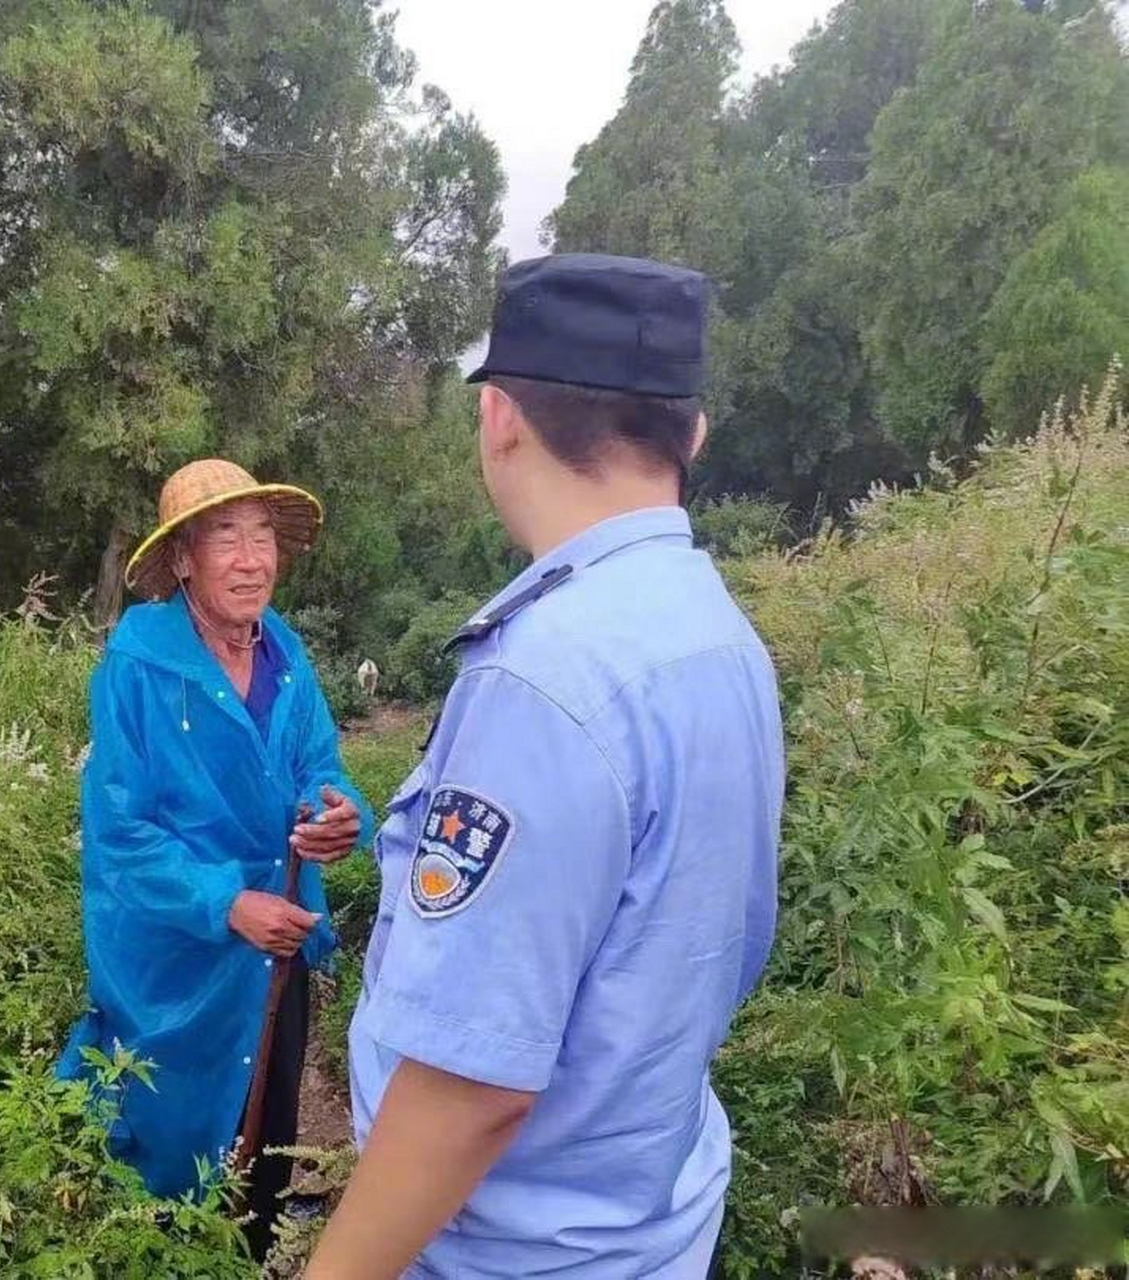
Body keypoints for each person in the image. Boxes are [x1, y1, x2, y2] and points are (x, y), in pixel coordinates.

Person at [306, 254, 785, 1279]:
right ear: (691, 434)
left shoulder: (548, 680)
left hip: (514, 1250)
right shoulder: (720, 636)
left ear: (501, 417)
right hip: (645, 1220)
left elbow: (475, 1086)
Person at [57, 459, 374, 1261]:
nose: (250, 558)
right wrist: (228, 903)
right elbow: (121, 830)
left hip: (282, 931)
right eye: (224, 538)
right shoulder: (138, 667)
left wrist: (340, 815)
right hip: (177, 954)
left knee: (266, 1125)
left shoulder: (284, 653)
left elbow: (321, 765)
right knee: (170, 1128)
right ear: (184, 561)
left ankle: (251, 1249)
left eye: (261, 536)